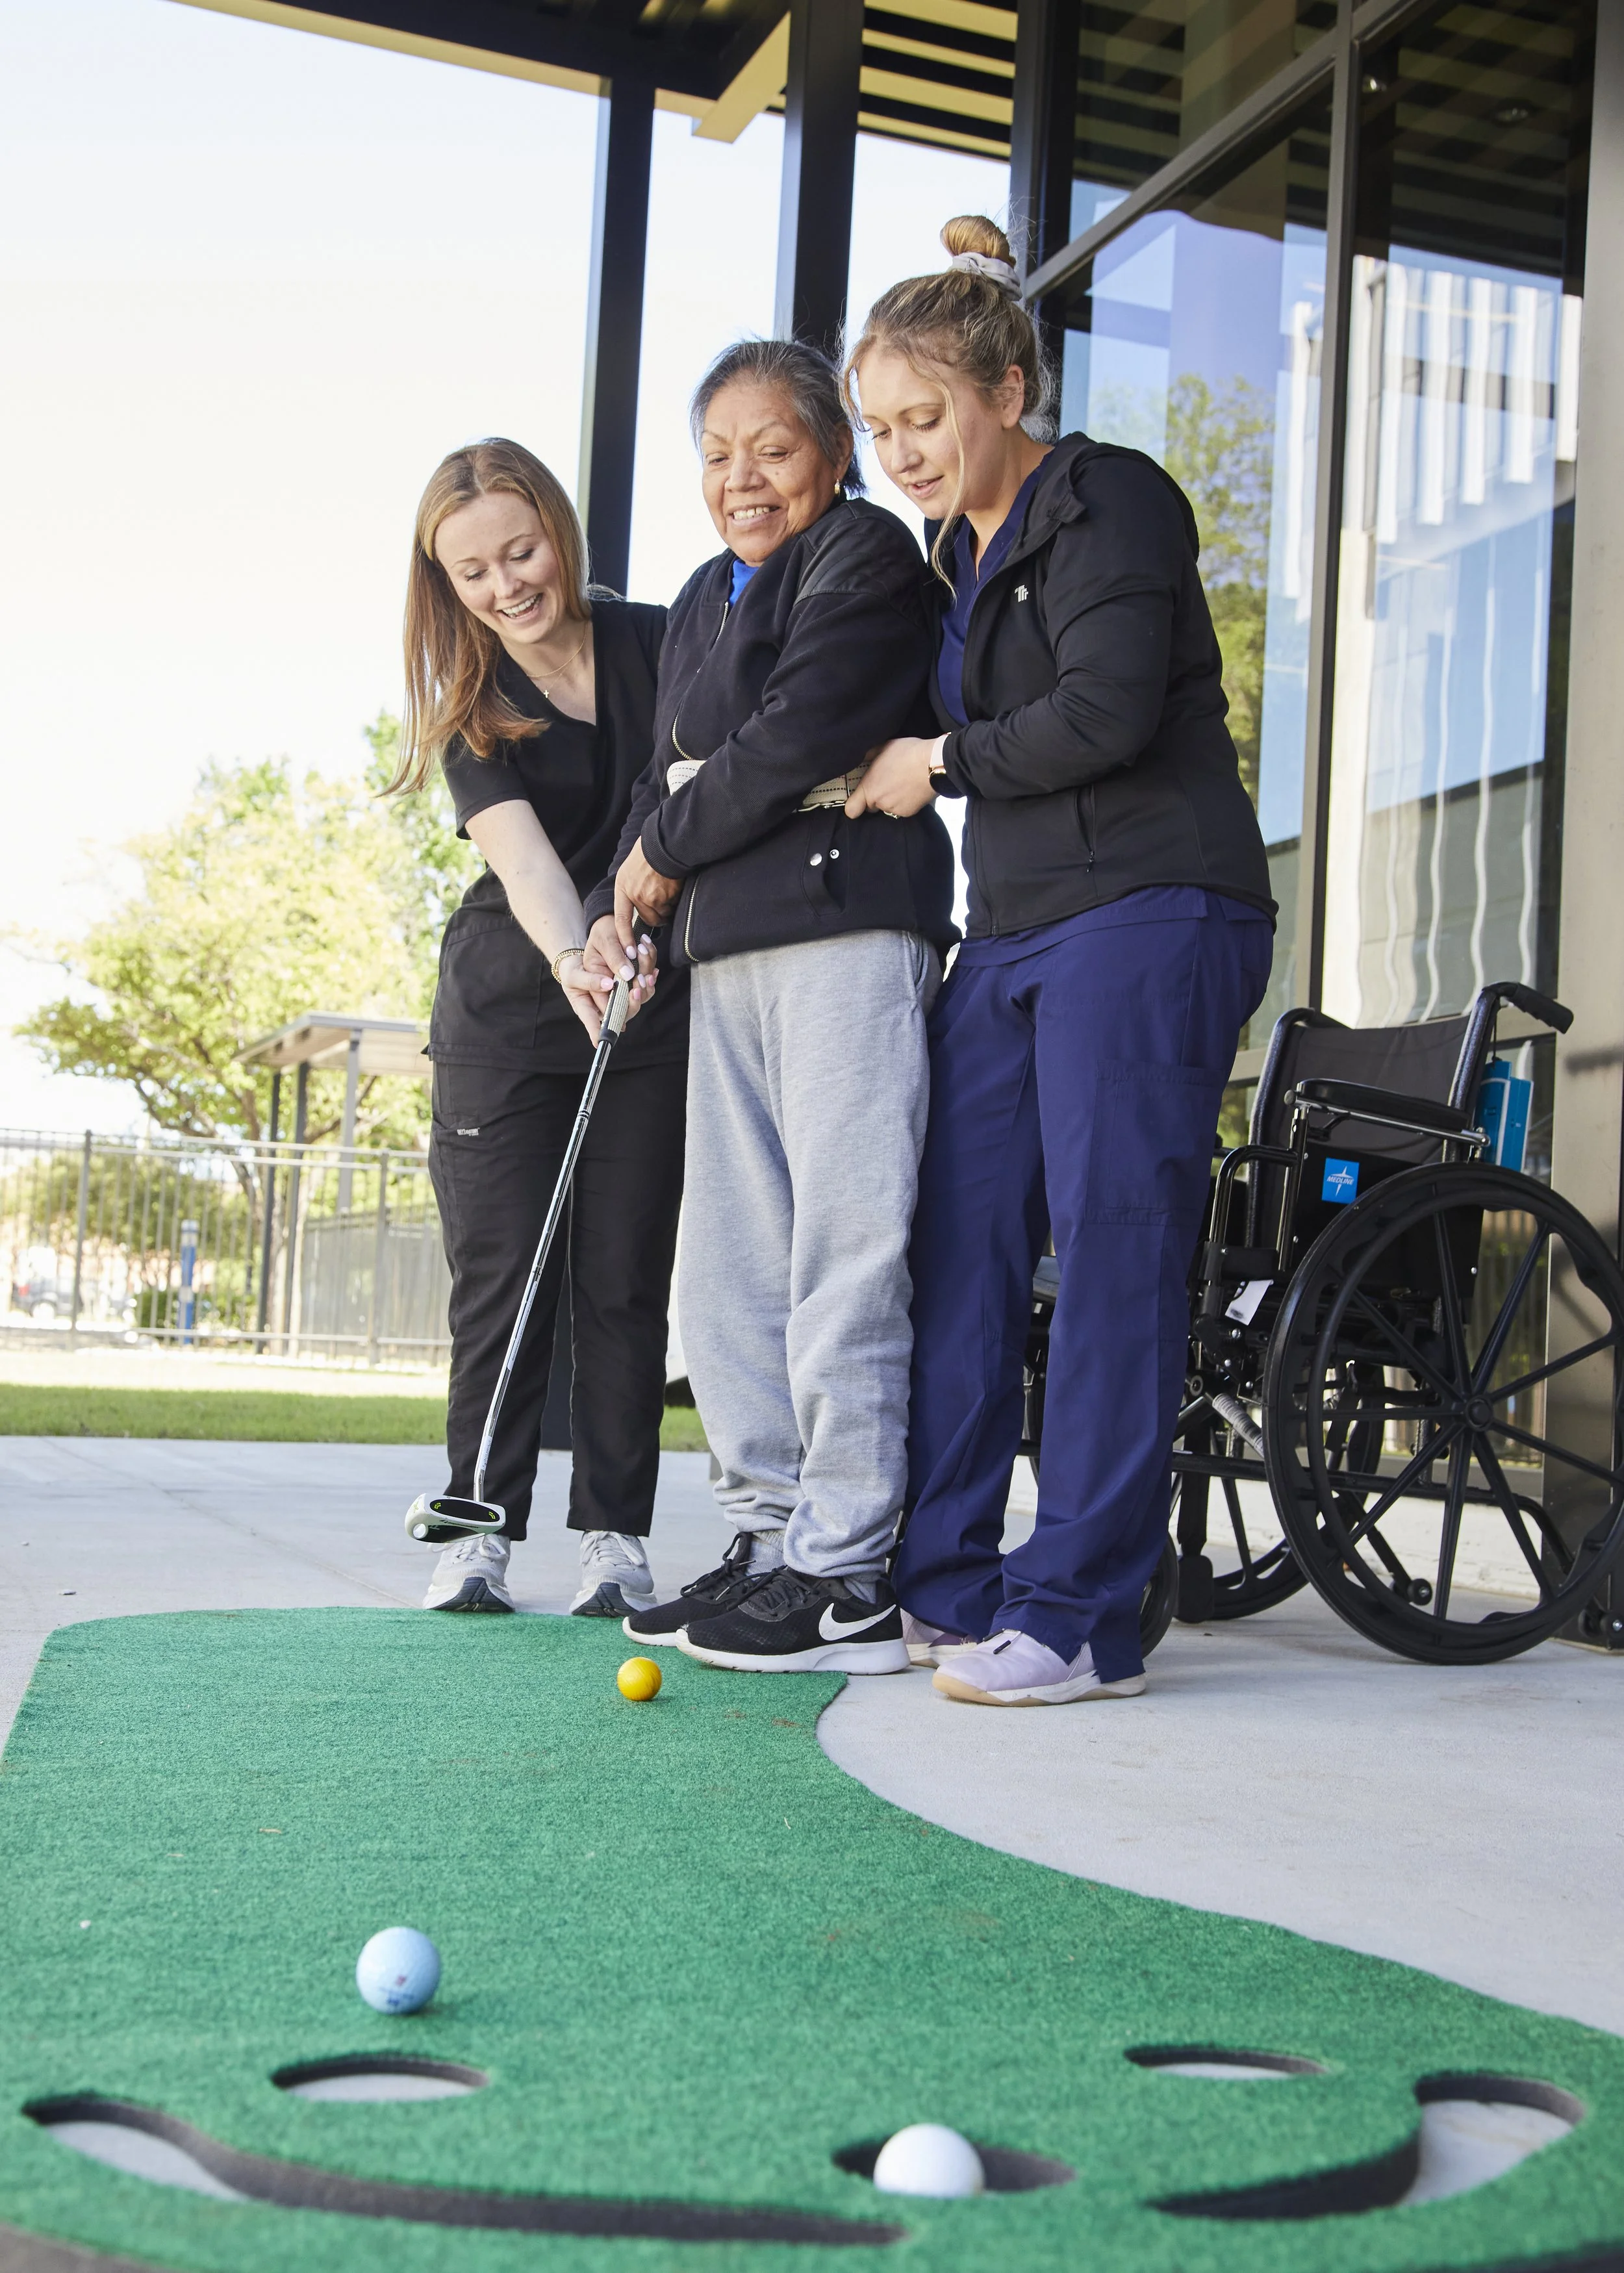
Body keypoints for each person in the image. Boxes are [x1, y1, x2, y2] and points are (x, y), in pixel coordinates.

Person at [846, 216, 1275, 1706]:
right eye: (880, 425)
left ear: (1005, 394)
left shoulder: (1111, 501)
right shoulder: (949, 554)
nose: (900, 450)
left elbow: (1097, 716)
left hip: (1153, 907)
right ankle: (948, 1587)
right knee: (958, 1241)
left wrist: (939, 759)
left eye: (925, 417)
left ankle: (1082, 1620)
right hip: (1017, 931)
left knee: (1108, 1250)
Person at [585, 338, 958, 1675]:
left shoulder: (864, 560)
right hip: (723, 949)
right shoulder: (700, 594)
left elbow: (791, 737)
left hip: (848, 928)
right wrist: (614, 909)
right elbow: (668, 772)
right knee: (732, 1266)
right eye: (717, 455)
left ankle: (845, 1563)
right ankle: (763, 1531)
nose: (741, 479)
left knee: (841, 1250)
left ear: (833, 456)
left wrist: (664, 847)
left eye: (774, 450)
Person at [389, 438, 686, 1618]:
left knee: (622, 1281)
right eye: (472, 572)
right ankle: (479, 1531)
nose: (507, 584)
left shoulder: (668, 642)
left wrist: (631, 947)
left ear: (558, 530)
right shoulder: (470, 704)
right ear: (445, 586)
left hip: (648, 1010)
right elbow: (523, 865)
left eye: (521, 549)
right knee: (504, 1282)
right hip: (513, 1017)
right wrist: (580, 955)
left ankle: (614, 1536)